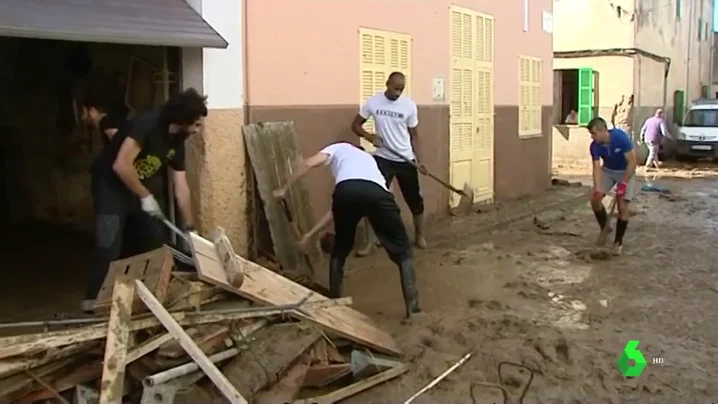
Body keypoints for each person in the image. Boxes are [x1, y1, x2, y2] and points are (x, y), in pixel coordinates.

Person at [81, 88, 206, 312]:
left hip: (135, 186)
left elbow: (181, 186)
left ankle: (148, 296)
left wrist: (190, 228)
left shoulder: (178, 139)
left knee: (154, 240)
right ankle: (92, 302)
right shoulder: (147, 125)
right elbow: (121, 165)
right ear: (182, 120)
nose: (199, 129)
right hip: (109, 185)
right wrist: (146, 196)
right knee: (109, 244)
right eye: (196, 124)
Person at [272, 141, 422, 320]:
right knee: (403, 251)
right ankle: (414, 310)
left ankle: (334, 301)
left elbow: (308, 163)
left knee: (341, 248)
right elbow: (335, 212)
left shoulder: (340, 147)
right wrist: (309, 235)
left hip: (345, 193)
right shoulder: (371, 162)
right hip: (379, 195)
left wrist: (284, 188)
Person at [350, 71, 428, 257]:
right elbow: (355, 125)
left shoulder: (409, 106)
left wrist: (420, 160)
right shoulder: (373, 102)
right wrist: (369, 136)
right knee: (373, 198)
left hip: (405, 159)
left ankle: (419, 235)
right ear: (387, 84)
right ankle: (371, 241)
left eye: (401, 89)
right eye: (395, 89)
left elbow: (414, 135)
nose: (398, 93)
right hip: (382, 158)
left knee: (414, 200)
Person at [588, 117, 637, 256]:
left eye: (594, 133)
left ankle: (618, 242)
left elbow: (632, 162)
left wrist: (624, 184)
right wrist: (598, 189)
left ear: (603, 131)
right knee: (595, 201)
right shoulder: (594, 146)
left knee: (622, 207)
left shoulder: (620, 138)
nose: (592, 137)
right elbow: (597, 168)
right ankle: (605, 228)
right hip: (608, 171)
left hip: (626, 171)